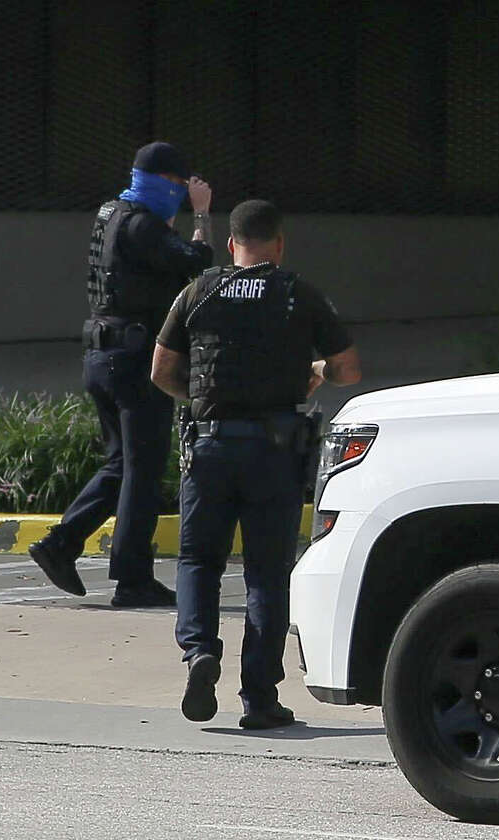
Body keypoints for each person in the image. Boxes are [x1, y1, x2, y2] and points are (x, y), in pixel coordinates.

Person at [151, 199, 361, 728]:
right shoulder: (297, 293)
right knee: (267, 575)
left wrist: (202, 403)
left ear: (230, 244)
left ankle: (199, 651)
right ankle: (260, 699)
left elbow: (161, 370)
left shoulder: (198, 291)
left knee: (199, 561)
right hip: (273, 450)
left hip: (209, 444)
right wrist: (313, 369)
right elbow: (348, 369)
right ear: (280, 242)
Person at [28, 142, 215, 607]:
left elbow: (154, 260)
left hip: (103, 356)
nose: (180, 195)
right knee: (144, 470)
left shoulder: (111, 213)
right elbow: (196, 263)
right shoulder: (141, 225)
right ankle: (132, 579)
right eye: (177, 187)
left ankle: (61, 544)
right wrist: (202, 215)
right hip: (133, 361)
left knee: (122, 465)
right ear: (164, 184)